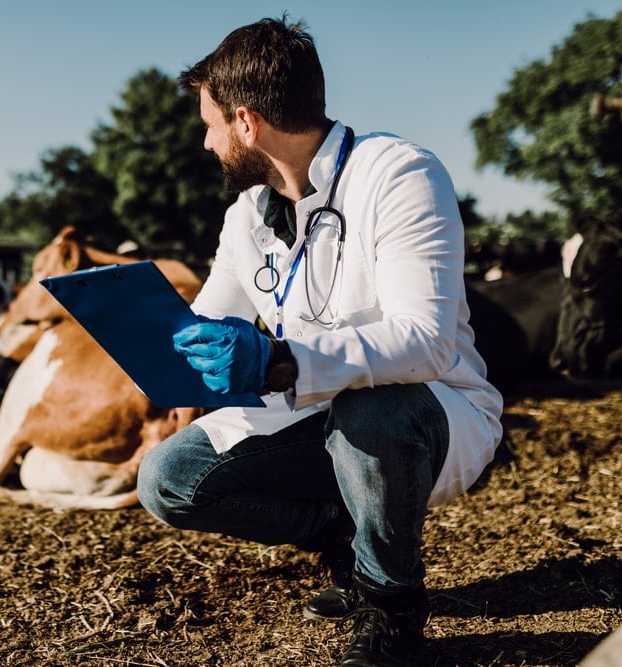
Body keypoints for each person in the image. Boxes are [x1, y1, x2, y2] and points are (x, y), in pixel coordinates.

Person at [136, 15, 503, 667]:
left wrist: (281, 359)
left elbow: (426, 344)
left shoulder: (399, 173)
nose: (205, 143)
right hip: (313, 419)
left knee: (372, 407)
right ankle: (346, 532)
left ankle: (389, 604)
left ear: (246, 123)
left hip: (432, 418)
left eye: (209, 125)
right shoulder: (247, 215)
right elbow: (208, 319)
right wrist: (154, 344)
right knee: (169, 478)